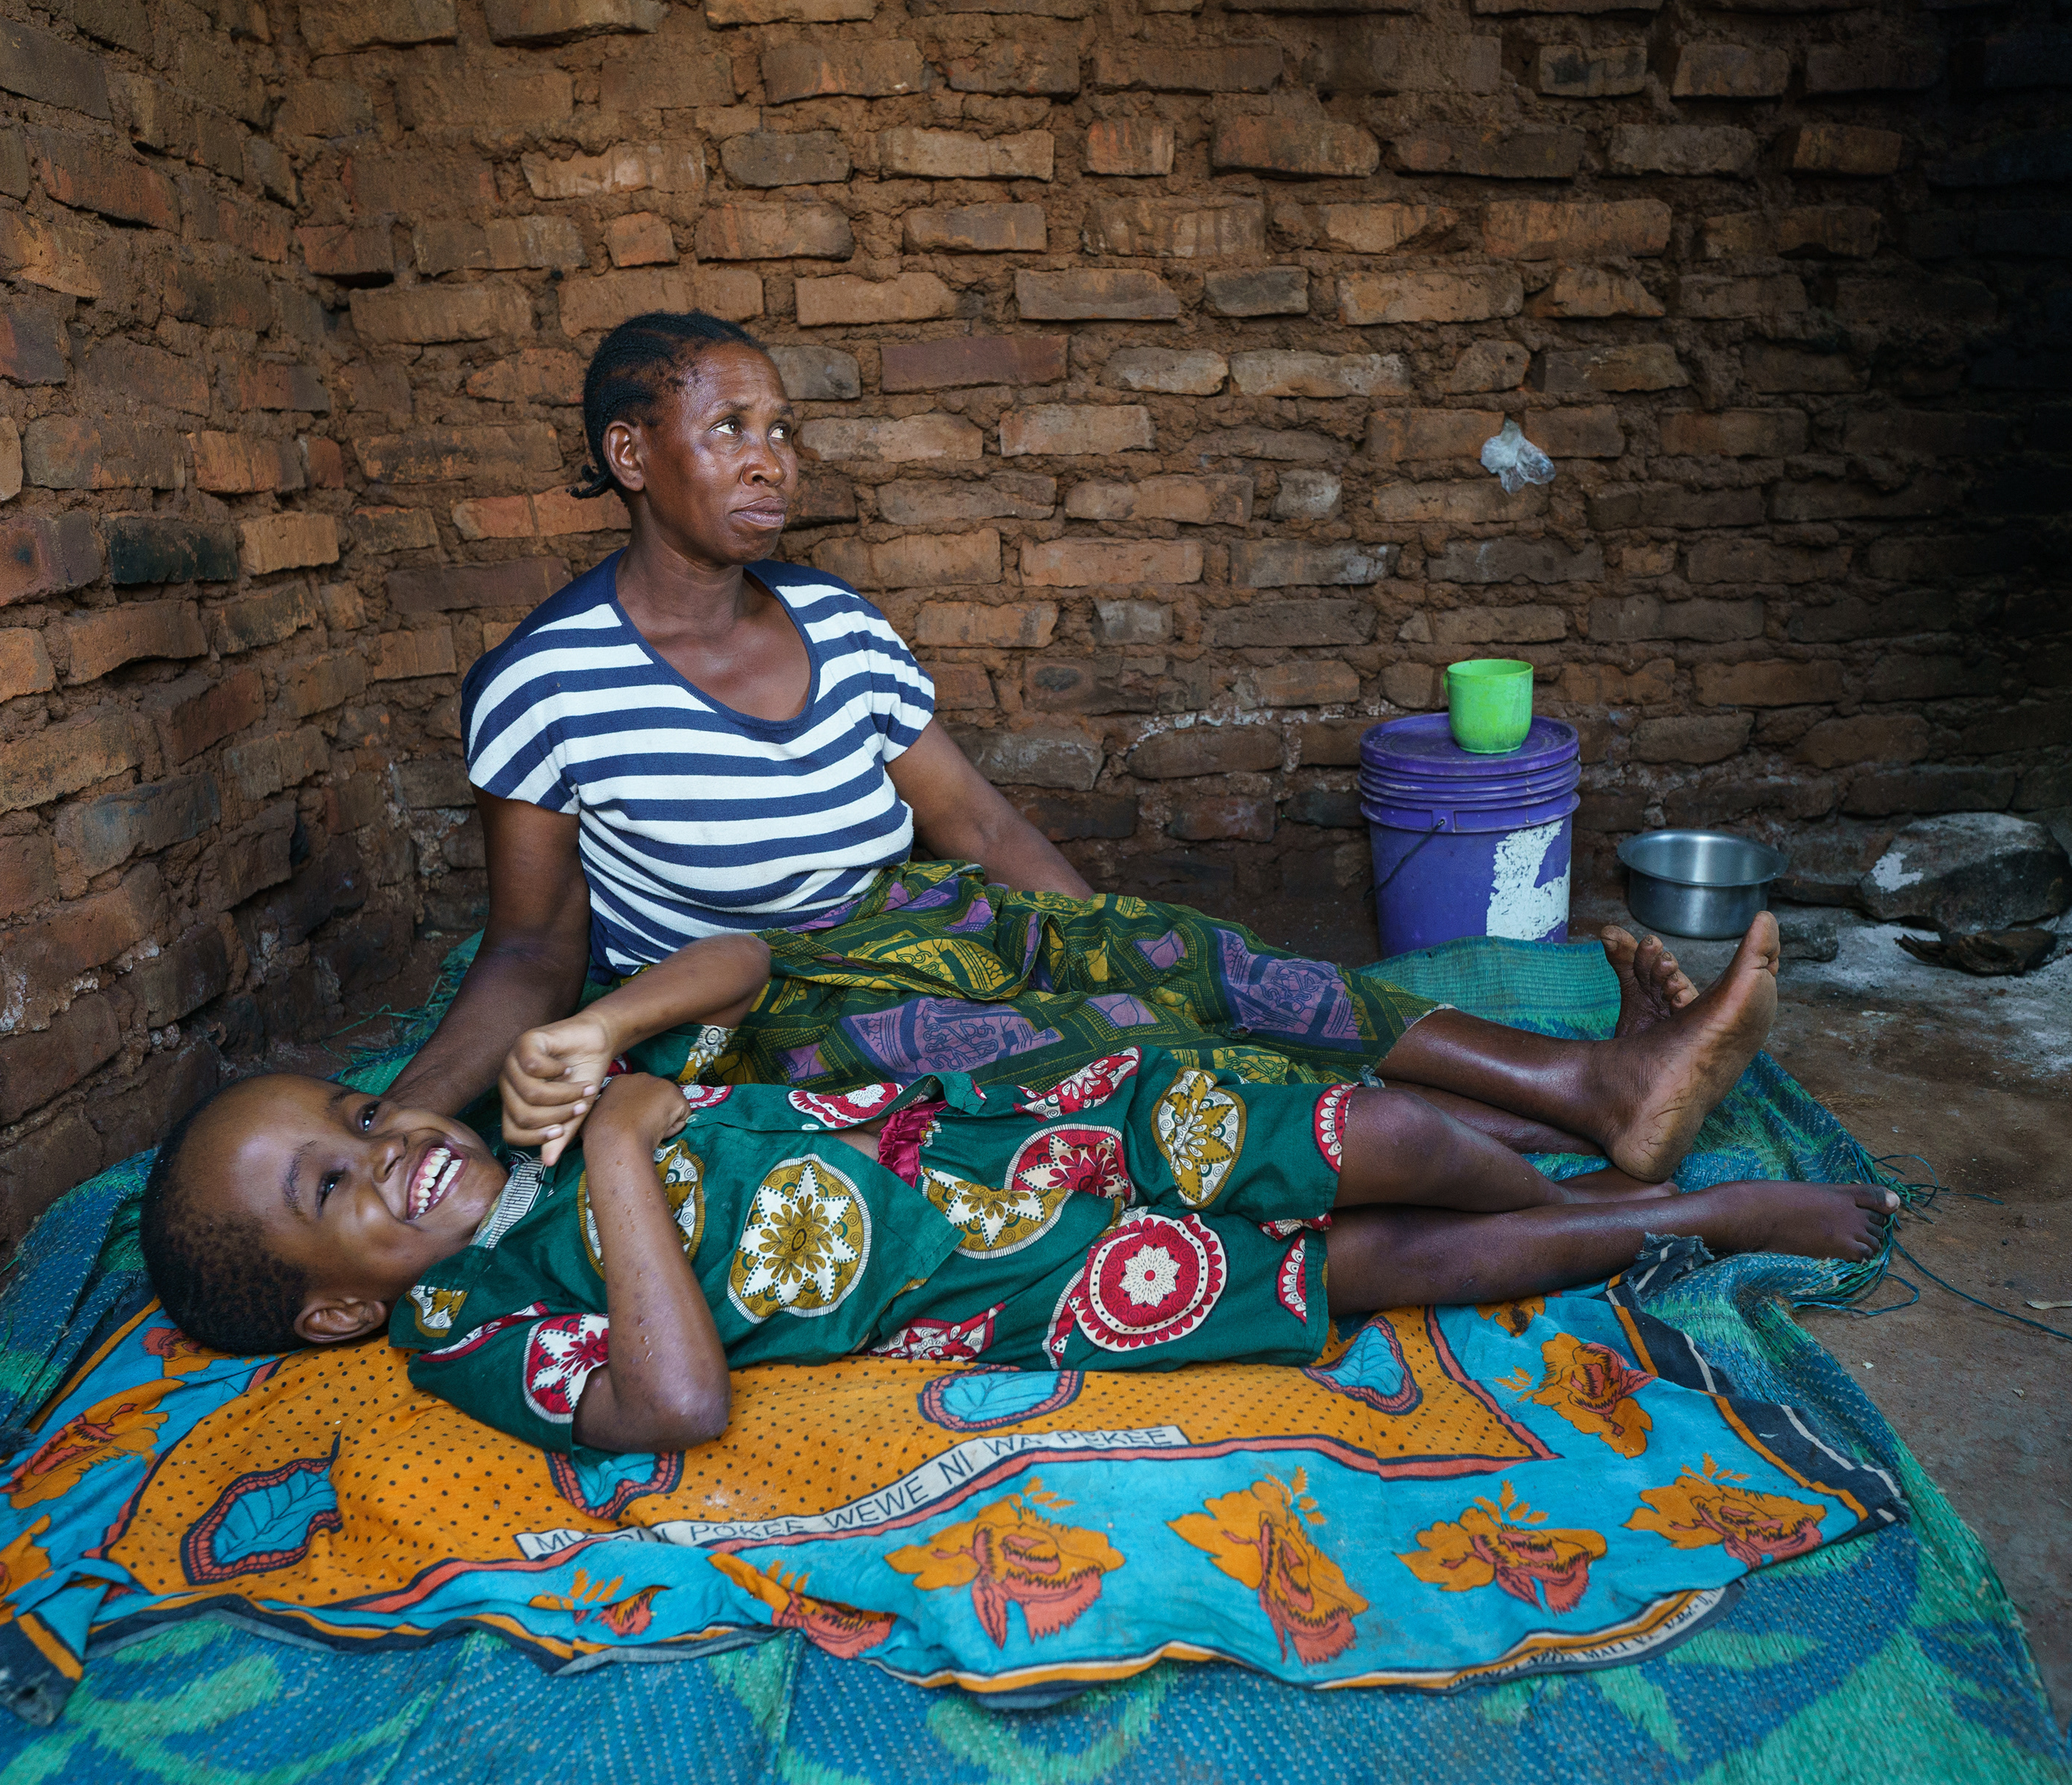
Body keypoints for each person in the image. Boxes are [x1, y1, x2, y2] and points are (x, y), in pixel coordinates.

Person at [381, 308, 1773, 1188]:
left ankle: (1586, 1085)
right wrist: (404, 1116)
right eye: (730, 430)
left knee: (1215, 971)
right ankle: (1548, 1127)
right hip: (755, 1013)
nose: (773, 461)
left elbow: (979, 832)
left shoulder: (841, 629)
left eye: (785, 429)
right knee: (1079, 1058)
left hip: (923, 918)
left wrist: (1122, 942)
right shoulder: (547, 683)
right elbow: (528, 951)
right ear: (632, 454)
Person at [142, 931, 1898, 1455]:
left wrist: (607, 1043)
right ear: (337, 1306)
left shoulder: (516, 1118)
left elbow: (745, 960)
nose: (394, 1148)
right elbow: (673, 1400)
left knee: (1399, 1136)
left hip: (1015, 1117)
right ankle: (1680, 1222)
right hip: (1033, 1275)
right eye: (336, 1185)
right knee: (1386, 1262)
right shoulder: (459, 1316)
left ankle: (1589, 1159)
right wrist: (617, 1146)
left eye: (359, 1111)